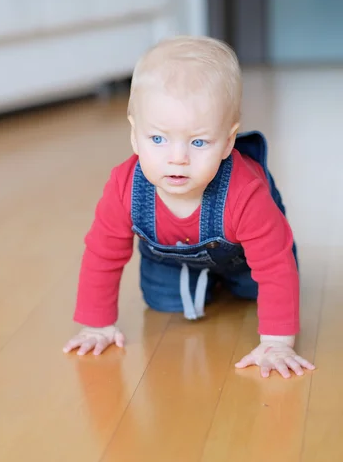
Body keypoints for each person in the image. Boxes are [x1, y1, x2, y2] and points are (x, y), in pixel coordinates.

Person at [63, 35, 315, 379]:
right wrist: (96, 325)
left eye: (198, 142)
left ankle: (225, 282)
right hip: (169, 255)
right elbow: (102, 253)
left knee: (257, 290)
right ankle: (203, 282)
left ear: (228, 142)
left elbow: (274, 265)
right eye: (158, 139)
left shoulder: (245, 193)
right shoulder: (125, 185)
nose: (178, 158)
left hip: (245, 256)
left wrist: (277, 342)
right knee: (163, 302)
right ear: (135, 135)